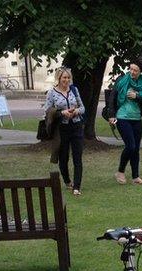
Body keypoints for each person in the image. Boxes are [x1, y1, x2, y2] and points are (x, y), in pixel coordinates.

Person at [105, 61, 142, 185]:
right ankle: (120, 172)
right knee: (130, 146)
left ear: (140, 72)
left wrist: (137, 97)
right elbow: (112, 97)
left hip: (136, 118)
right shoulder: (122, 80)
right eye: (131, 69)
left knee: (136, 148)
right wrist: (111, 115)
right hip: (122, 117)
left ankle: (135, 177)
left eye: (135, 70)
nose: (132, 72)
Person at [43, 67, 85, 195]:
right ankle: (67, 181)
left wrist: (77, 111)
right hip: (62, 128)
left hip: (76, 126)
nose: (66, 80)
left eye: (68, 78)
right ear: (59, 78)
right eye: (64, 78)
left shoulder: (74, 90)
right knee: (64, 157)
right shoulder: (52, 93)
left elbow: (82, 107)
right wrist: (62, 113)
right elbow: (47, 110)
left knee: (78, 157)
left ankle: (77, 187)